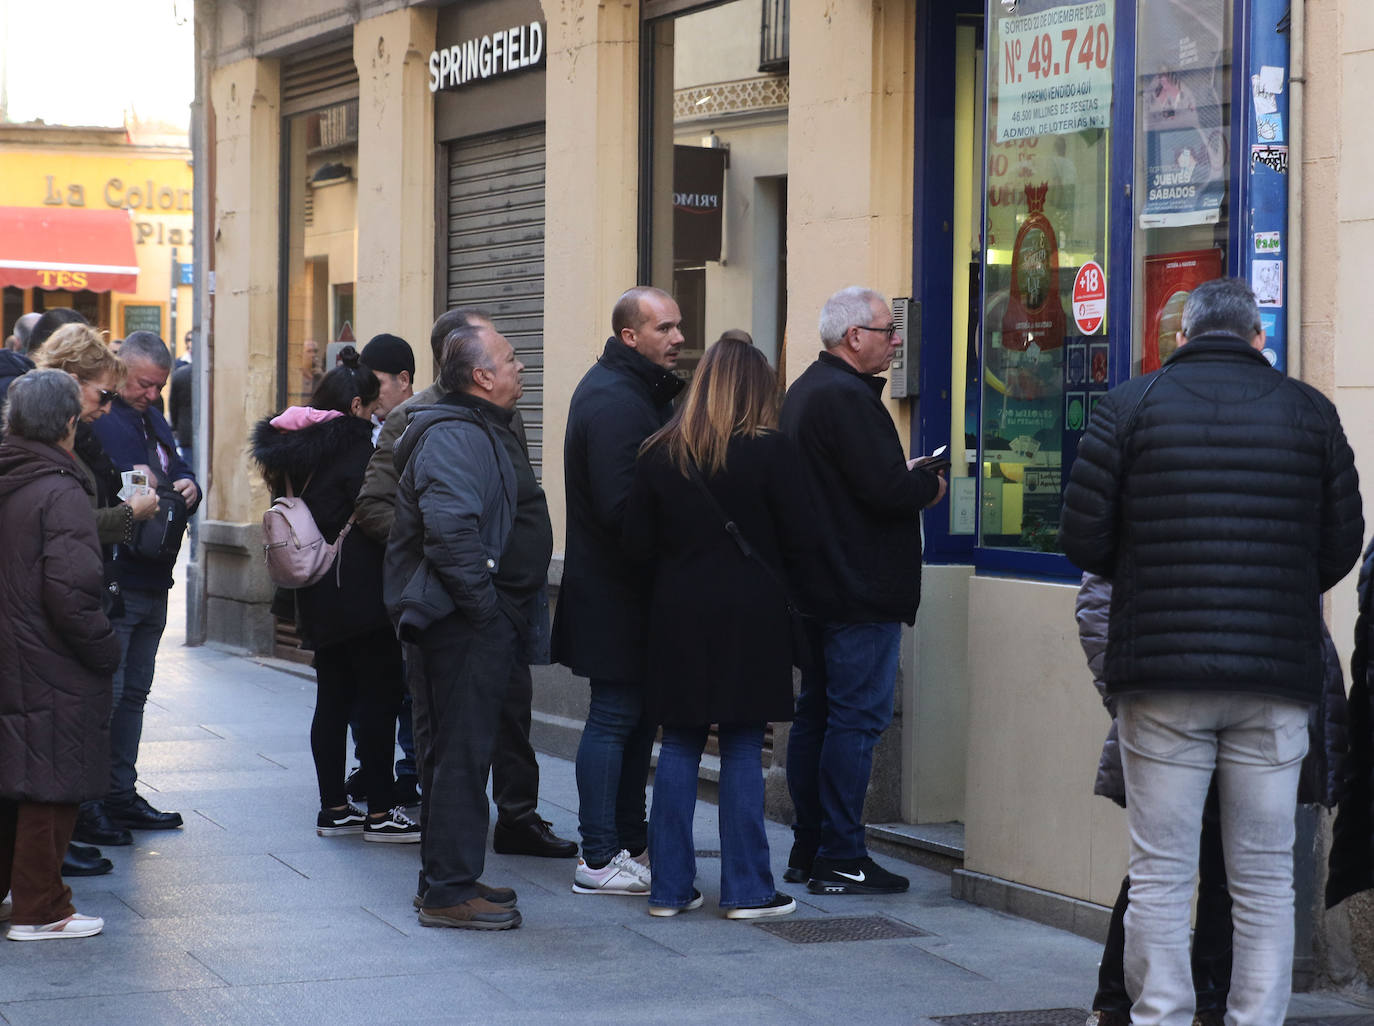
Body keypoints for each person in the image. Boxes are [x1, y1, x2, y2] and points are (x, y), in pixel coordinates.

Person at [1060, 277, 1363, 1026]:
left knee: (1161, 872)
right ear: (1258, 337)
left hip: (1159, 677)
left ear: (1183, 337)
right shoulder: (1311, 413)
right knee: (1263, 877)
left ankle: (1159, 1015)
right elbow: (1340, 545)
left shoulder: (1128, 407)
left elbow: (1084, 541)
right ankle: (1253, 1019)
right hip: (1274, 677)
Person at [1077, 571, 1349, 1026]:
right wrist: (1126, 696)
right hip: (1182, 695)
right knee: (1166, 869)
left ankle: (1208, 1004)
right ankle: (1119, 1004)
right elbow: (1097, 594)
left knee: (1228, 872)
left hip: (1250, 691)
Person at [356, 313, 576, 859]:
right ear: (469, 365)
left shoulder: (502, 412)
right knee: (449, 736)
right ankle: (448, 856)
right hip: (460, 606)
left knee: (511, 714)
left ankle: (517, 818)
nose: (519, 364)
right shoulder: (420, 418)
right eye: (505, 354)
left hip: (507, 601)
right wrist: (475, 587)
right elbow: (379, 507)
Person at [624, 336, 812, 919]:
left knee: (677, 741)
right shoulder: (772, 453)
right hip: (750, 614)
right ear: (758, 390)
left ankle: (670, 889)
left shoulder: (658, 453)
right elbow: (800, 539)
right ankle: (749, 889)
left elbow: (635, 546)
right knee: (738, 743)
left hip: (677, 612)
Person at [780, 286, 946, 895]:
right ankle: (841, 854)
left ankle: (810, 848)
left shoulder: (807, 392)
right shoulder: (846, 398)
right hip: (856, 590)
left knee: (818, 717)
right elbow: (883, 493)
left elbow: (844, 484)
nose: (895, 340)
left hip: (819, 587)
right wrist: (927, 485)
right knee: (854, 721)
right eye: (885, 330)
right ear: (855, 338)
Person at [384, 318, 549, 931]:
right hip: (461, 620)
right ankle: (449, 892)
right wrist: (486, 610)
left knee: (455, 750)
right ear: (482, 377)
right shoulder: (455, 434)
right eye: (510, 360)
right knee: (457, 753)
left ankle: (447, 877)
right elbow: (451, 532)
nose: (520, 367)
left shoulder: (477, 425)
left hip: (472, 617)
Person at [251, 349, 417, 842]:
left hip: (316, 591)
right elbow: (374, 512)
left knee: (332, 699)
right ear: (358, 404)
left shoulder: (288, 453)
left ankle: (334, 807)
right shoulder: (357, 450)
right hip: (361, 593)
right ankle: (382, 812)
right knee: (380, 699)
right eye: (370, 407)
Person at [554, 286, 686, 895]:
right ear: (630, 336)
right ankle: (599, 855)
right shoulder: (614, 400)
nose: (678, 338)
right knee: (613, 719)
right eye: (664, 328)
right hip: (616, 593)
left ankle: (629, 845)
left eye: (678, 326)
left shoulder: (633, 391)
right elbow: (621, 508)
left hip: (630, 593)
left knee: (634, 721)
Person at [0, 370, 122, 940]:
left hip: (14, 653)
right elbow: (71, 591)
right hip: (51, 660)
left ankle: (16, 897)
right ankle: (43, 908)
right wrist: (105, 648)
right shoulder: (60, 488)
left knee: (17, 781)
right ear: (69, 424)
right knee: (51, 784)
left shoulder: (13, 475)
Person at [35, 324, 160, 872]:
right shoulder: (44, 442)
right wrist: (129, 517)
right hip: (53, 601)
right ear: (69, 381)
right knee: (55, 726)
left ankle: (56, 843)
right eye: (102, 394)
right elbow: (65, 520)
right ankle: (44, 861)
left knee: (77, 719)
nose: (107, 408)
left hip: (80, 590)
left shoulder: (74, 437)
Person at [79, 330, 201, 844]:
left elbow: (177, 465)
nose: (152, 394)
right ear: (120, 371)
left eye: (159, 387)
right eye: (143, 385)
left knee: (135, 694)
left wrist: (191, 484)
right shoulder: (103, 422)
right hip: (121, 574)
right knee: (111, 694)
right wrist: (142, 484)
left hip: (156, 572)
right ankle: (93, 802)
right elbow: (109, 488)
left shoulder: (152, 418)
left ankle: (120, 793)